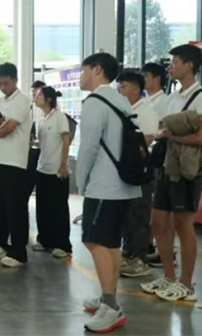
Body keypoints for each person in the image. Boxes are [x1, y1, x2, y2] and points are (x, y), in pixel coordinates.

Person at [141, 44, 202, 303]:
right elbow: (161, 127)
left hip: (187, 170)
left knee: (183, 224)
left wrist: (169, 135)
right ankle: (169, 276)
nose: (170, 67)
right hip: (167, 166)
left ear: (190, 65)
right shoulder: (172, 98)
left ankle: (187, 284)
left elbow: (201, 137)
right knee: (158, 222)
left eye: (175, 63)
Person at [76, 53, 139, 333]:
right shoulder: (120, 100)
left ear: (98, 70)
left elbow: (88, 148)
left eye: (84, 71)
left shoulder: (94, 102)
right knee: (111, 242)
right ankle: (107, 297)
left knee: (95, 241)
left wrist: (81, 182)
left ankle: (111, 306)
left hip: (104, 184)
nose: (81, 77)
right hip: (124, 183)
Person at [0, 63, 32, 268]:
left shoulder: (22, 100)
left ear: (15, 80)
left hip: (15, 162)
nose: (2, 87)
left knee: (15, 208)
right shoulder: (0, 101)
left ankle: (18, 252)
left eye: (6, 83)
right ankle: (1, 243)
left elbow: (8, 128)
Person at [116, 71, 159, 277]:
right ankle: (128, 253)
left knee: (139, 213)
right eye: (118, 87)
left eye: (123, 87)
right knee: (125, 215)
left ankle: (140, 258)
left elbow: (148, 139)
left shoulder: (146, 110)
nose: (119, 91)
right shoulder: (123, 110)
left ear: (135, 89)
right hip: (125, 170)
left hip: (140, 170)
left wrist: (131, 151)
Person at [30, 86, 72, 258]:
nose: (36, 97)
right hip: (42, 168)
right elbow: (43, 143)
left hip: (57, 170)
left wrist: (63, 164)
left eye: (40, 95)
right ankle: (45, 240)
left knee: (58, 208)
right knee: (43, 207)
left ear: (49, 99)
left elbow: (65, 141)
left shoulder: (59, 117)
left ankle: (63, 244)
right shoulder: (41, 119)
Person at [141, 62, 170, 268]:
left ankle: (159, 249)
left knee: (156, 205)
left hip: (157, 157)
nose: (142, 80)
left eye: (146, 76)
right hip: (145, 157)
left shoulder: (163, 102)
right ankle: (147, 244)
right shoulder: (145, 101)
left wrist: (151, 135)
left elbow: (163, 128)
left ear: (157, 78)